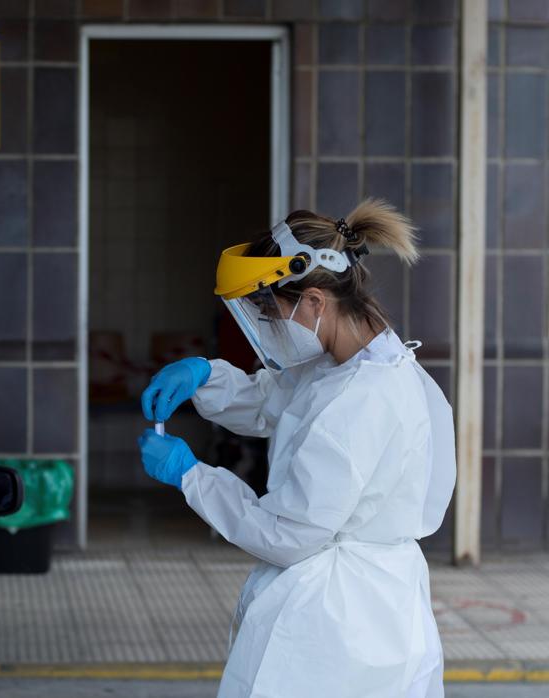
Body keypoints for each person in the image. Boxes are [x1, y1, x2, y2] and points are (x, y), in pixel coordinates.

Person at [139, 199, 456, 698]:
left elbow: (287, 535)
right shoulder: (357, 366)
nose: (265, 326)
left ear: (314, 301)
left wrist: (191, 476)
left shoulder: (359, 401)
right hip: (373, 613)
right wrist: (204, 377)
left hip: (337, 629)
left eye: (269, 311)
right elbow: (278, 400)